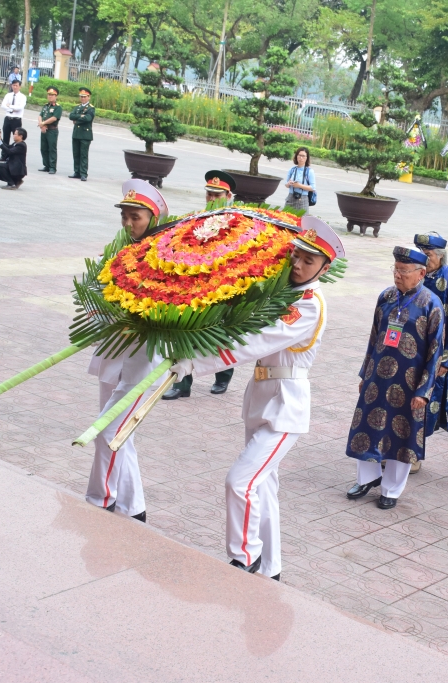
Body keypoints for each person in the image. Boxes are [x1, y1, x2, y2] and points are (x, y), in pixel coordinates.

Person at [169, 216, 346, 577]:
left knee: (241, 481)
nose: (297, 265)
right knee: (263, 488)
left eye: (308, 261)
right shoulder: (282, 291)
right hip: (262, 395)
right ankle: (271, 569)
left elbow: (256, 341)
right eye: (296, 256)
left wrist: (195, 362)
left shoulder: (308, 304)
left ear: (324, 267)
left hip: (286, 404)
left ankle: (245, 558)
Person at [86, 179, 171, 524]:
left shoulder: (169, 254)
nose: (128, 223)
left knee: (109, 430)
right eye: (125, 216)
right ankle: (133, 508)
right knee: (122, 435)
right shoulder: (120, 247)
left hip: (143, 359)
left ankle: (99, 500)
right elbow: (95, 284)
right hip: (114, 350)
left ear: (153, 217)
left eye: (135, 217)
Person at [345, 247, 444, 510]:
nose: (398, 275)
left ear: (421, 273)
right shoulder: (386, 297)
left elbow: (436, 353)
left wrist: (424, 390)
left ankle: (391, 489)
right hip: (378, 376)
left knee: (403, 435)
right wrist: (365, 373)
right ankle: (367, 478)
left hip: (409, 383)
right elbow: (374, 337)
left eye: (404, 271)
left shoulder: (431, 304)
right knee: (367, 426)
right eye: (395, 269)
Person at [162, 170, 239, 401]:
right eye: (208, 194)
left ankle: (223, 375)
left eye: (216, 195)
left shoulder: (238, 222)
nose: (211, 199)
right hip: (193, 285)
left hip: (222, 286)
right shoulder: (195, 219)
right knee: (183, 331)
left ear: (228, 195)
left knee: (220, 333)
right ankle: (181, 383)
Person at [415, 233, 448, 464]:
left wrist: (447, 359)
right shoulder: (413, 275)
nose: (423, 261)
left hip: (436, 355)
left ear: (440, 256)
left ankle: (415, 453)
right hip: (410, 351)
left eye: (427, 256)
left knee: (425, 401)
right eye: (421, 254)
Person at [68, 87, 95, 181]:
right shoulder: (77, 107)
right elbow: (71, 116)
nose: (83, 98)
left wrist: (77, 119)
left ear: (88, 97)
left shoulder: (91, 108)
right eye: (81, 97)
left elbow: (88, 118)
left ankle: (83, 173)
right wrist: (81, 116)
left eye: (84, 97)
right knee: (76, 154)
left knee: (83, 154)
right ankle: (77, 172)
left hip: (85, 135)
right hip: (76, 134)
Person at [37, 86, 62, 174]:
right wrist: (40, 123)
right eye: (49, 95)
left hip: (52, 130)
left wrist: (43, 123)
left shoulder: (58, 107)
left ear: (56, 96)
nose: (50, 96)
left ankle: (52, 167)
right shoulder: (45, 106)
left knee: (52, 149)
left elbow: (54, 118)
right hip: (44, 130)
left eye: (52, 95)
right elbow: (40, 115)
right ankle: (46, 165)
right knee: (43, 148)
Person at [0, 78, 26, 146]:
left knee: (17, 138)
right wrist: (11, 109)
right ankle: (4, 155)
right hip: (8, 118)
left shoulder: (22, 97)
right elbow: (3, 105)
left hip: (16, 120)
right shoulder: (8, 95)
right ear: (11, 86)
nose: (15, 87)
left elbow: (20, 108)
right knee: (5, 138)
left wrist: (9, 106)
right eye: (13, 85)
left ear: (19, 86)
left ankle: (14, 154)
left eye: (16, 85)